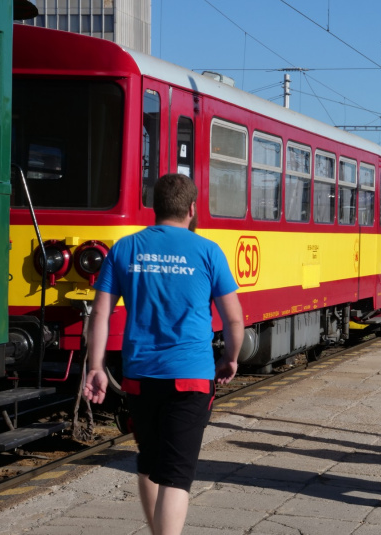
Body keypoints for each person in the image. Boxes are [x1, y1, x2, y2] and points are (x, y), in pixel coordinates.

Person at [84, 173, 244, 535]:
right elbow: (234, 320)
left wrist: (95, 366)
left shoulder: (125, 248)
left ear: (154, 209)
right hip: (190, 377)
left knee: (149, 462)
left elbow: (101, 314)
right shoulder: (207, 251)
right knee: (176, 476)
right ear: (191, 209)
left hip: (140, 377)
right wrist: (230, 358)